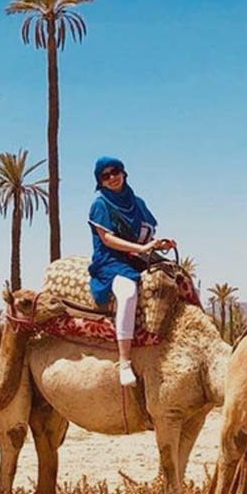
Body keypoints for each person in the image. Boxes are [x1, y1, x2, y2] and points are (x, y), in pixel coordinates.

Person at [88, 156, 175, 387]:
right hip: (111, 260)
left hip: (137, 257)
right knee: (127, 293)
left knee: (178, 278)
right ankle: (124, 361)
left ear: (123, 173)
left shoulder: (137, 203)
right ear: (100, 181)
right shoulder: (100, 204)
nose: (112, 178)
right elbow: (107, 239)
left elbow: (146, 235)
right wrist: (140, 249)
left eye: (115, 171)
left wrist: (160, 244)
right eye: (105, 175)